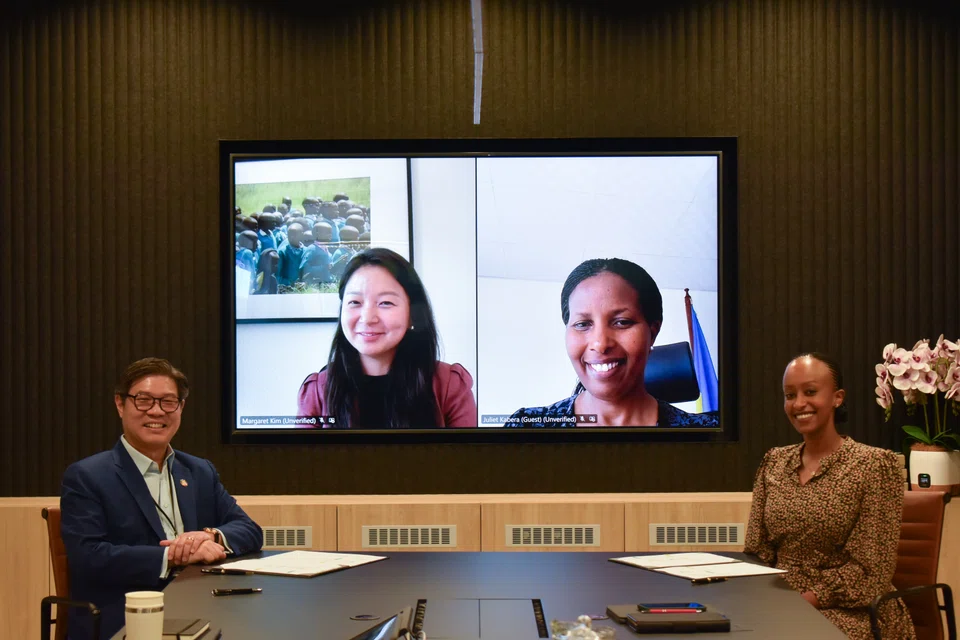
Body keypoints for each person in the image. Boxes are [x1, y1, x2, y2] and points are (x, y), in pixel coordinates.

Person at [60, 358, 262, 640]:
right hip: (126, 615)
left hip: (202, 607)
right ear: (120, 404)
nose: (156, 411)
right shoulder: (87, 476)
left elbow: (250, 530)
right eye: (143, 400)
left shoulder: (199, 470)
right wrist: (171, 556)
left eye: (168, 402)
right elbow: (89, 557)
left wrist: (210, 537)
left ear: (181, 408)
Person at [744, 353, 915, 640]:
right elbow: (757, 552)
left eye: (810, 392)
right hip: (779, 601)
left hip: (852, 609)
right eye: (790, 395)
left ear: (837, 398)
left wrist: (805, 600)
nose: (799, 404)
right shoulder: (773, 462)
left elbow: (872, 571)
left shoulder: (874, 466)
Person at [504, 258, 718, 428]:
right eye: (582, 324)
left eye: (622, 322)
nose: (600, 343)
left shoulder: (704, 435)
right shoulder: (527, 428)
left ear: (652, 332)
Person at [297, 247, 477, 428]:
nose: (367, 318)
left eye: (385, 303)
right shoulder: (317, 391)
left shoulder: (450, 387)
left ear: (412, 313)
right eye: (355, 302)